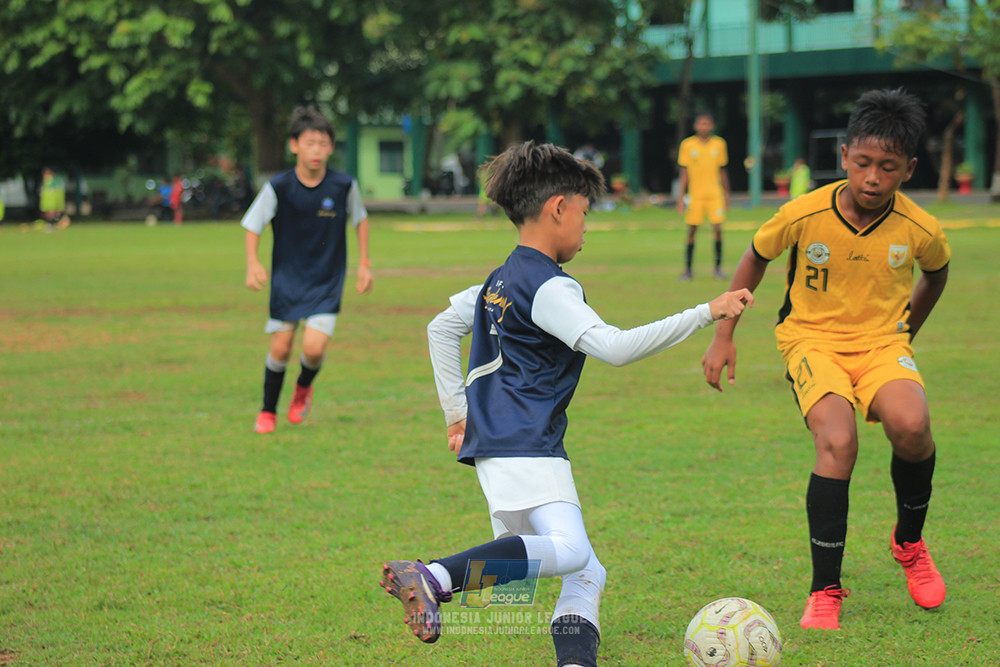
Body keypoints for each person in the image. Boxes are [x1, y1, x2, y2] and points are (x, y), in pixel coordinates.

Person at [380, 141, 753, 665]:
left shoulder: (500, 279)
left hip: (495, 446)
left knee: (582, 570)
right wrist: (705, 311)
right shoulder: (551, 288)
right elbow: (615, 348)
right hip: (527, 441)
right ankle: (435, 575)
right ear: (558, 207)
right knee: (571, 551)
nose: (586, 225)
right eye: (584, 211)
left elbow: (440, 327)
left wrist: (457, 414)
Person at [701, 89, 950, 630]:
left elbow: (938, 272)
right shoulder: (804, 212)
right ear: (844, 157)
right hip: (812, 341)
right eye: (862, 163)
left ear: (908, 169)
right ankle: (826, 589)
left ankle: (909, 544)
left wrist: (908, 331)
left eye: (887, 168)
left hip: (884, 344)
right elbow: (755, 257)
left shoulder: (920, 228)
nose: (872, 178)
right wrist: (725, 335)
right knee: (838, 440)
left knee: (912, 424)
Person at [242, 106, 373, 434]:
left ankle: (303, 388)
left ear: (331, 147)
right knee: (281, 348)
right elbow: (253, 224)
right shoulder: (279, 186)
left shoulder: (343, 185)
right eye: (310, 142)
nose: (317, 150)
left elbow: (360, 219)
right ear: (294, 145)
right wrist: (253, 262)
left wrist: (365, 264)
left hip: (327, 280)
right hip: (287, 280)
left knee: (313, 349)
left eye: (324, 143)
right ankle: (268, 410)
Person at [676, 112, 730, 281]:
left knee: (718, 230)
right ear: (696, 126)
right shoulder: (687, 145)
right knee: (692, 231)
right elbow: (684, 173)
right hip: (696, 195)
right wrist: (681, 197)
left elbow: (722, 170)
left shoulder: (719, 144)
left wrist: (727, 193)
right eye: (701, 124)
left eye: (707, 124)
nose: (704, 127)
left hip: (715, 194)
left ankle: (718, 269)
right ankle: (688, 270)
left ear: (712, 126)